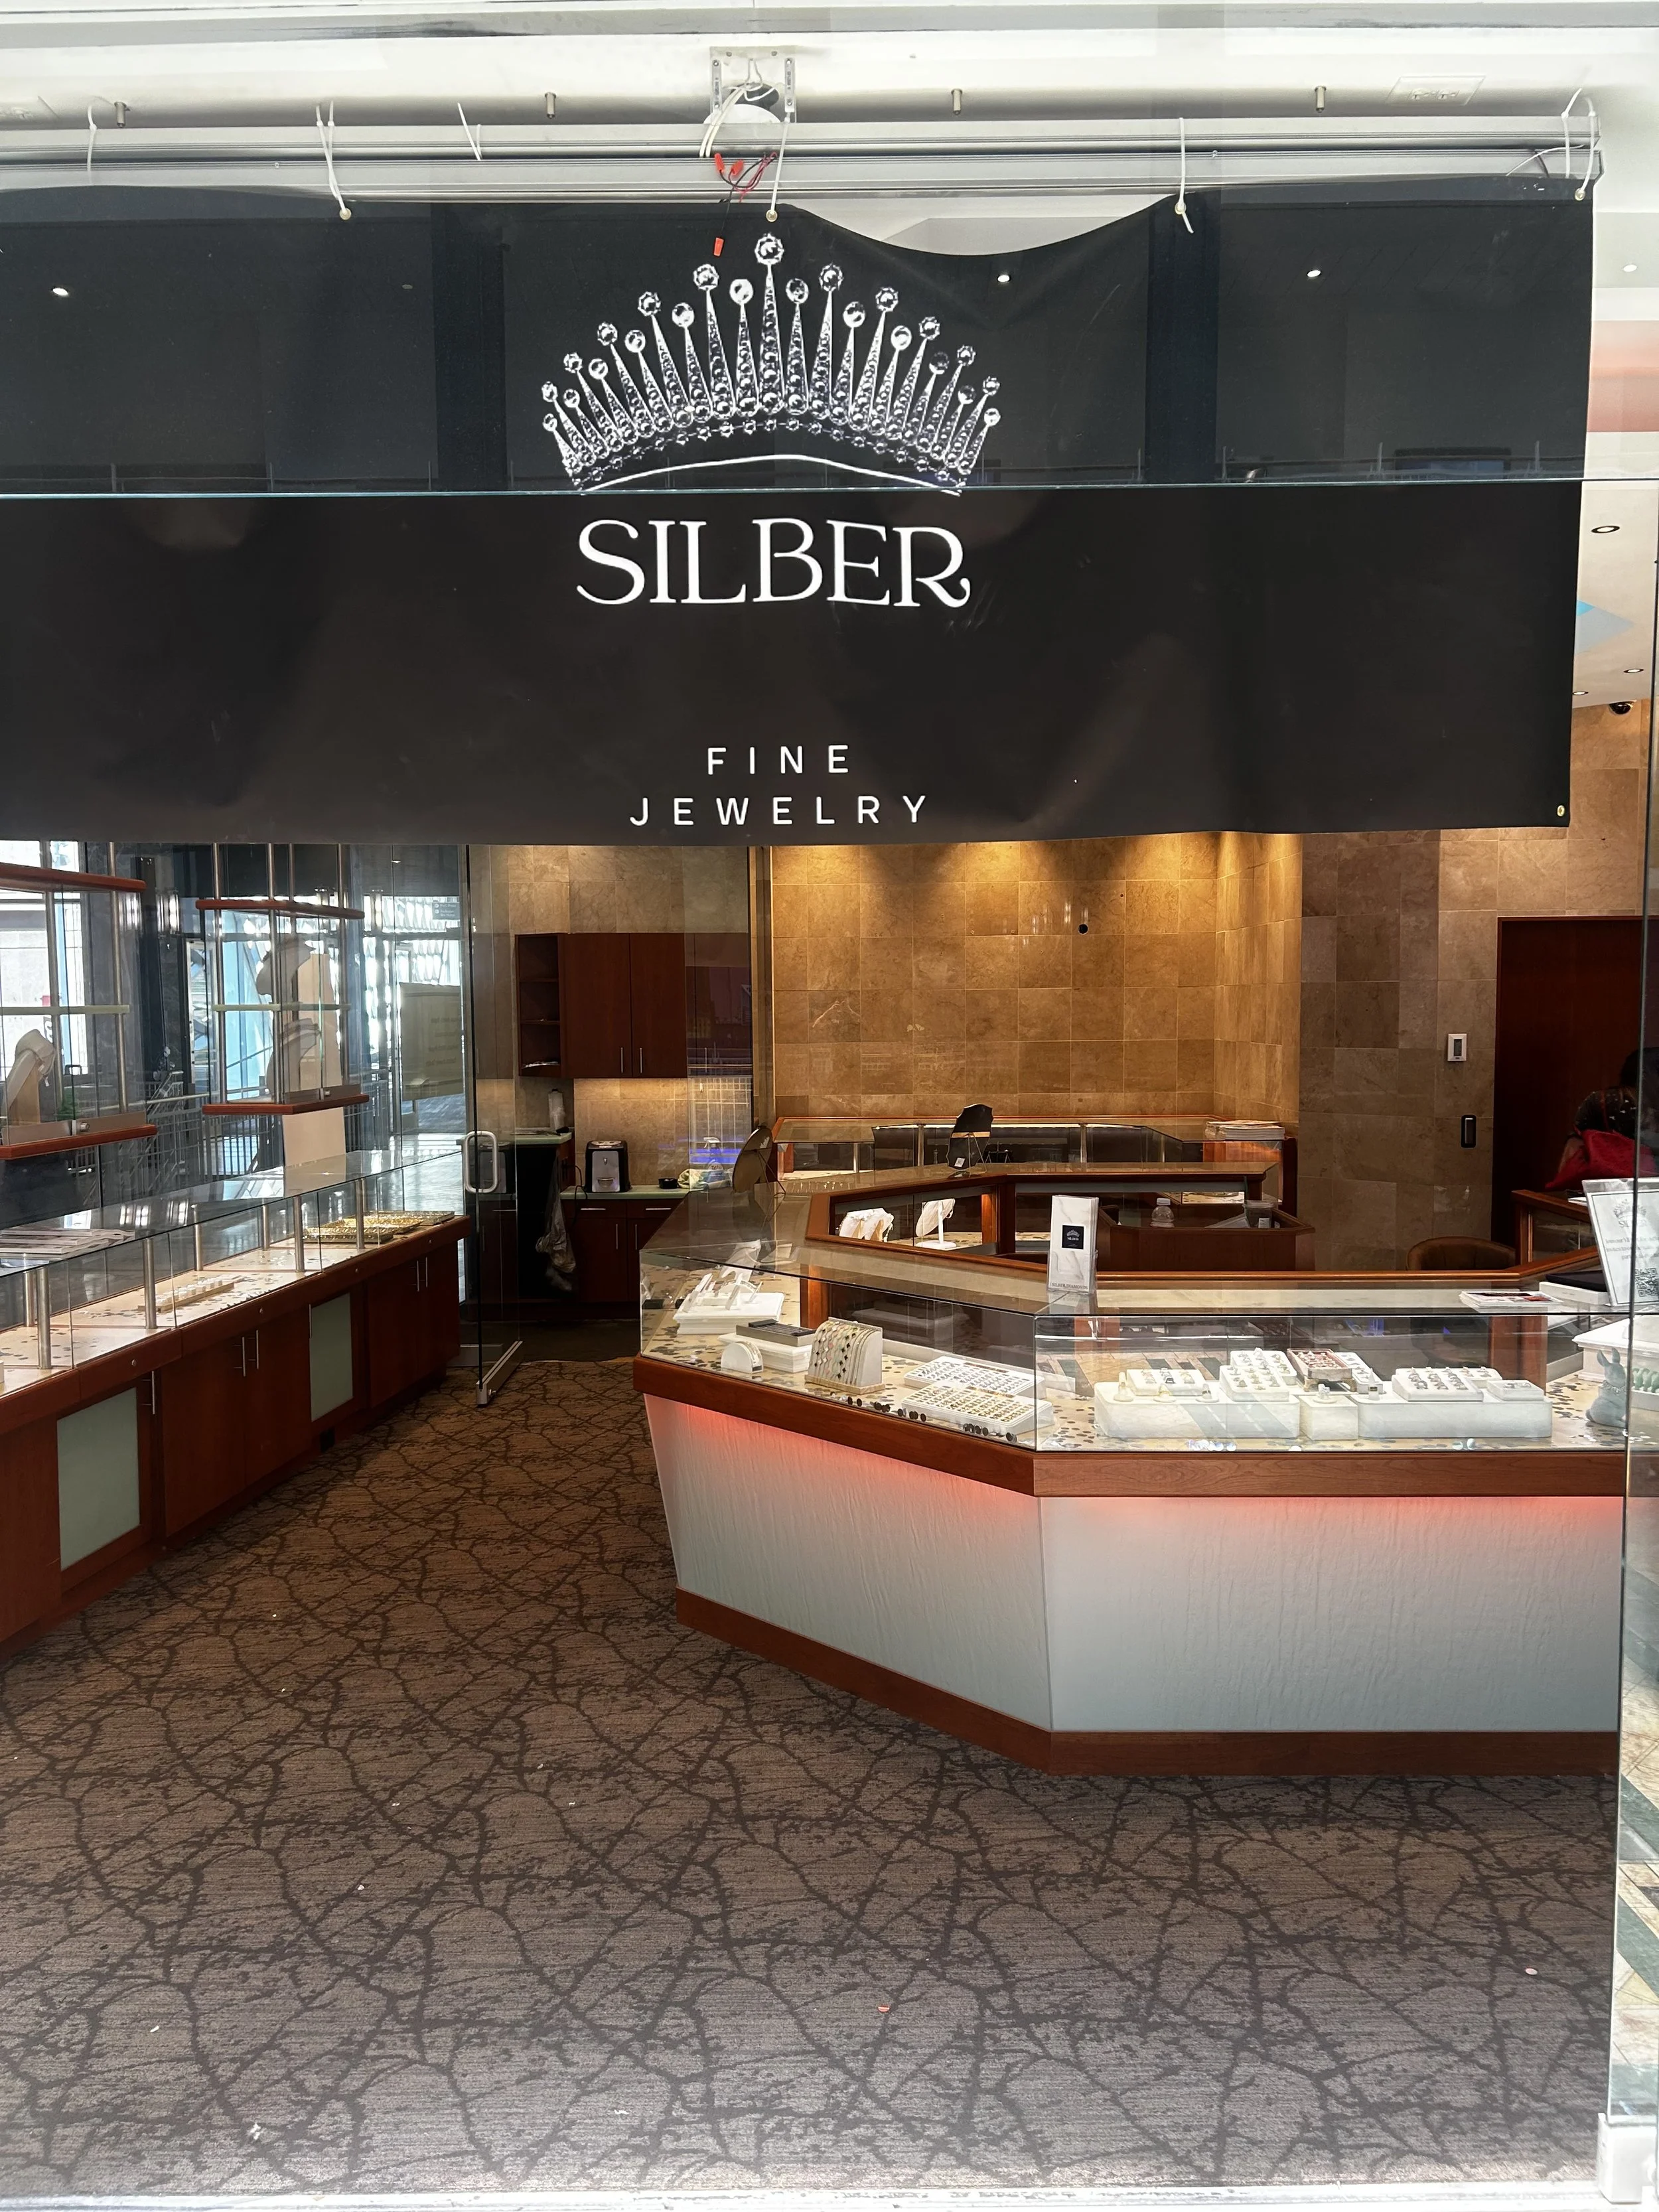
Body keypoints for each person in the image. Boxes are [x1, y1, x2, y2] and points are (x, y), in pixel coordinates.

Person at [1551, 1047, 1659, 1188]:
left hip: (1601, 1189)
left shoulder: (1603, 1099)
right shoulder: (1612, 1101)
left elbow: (1573, 1150)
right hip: (1643, 1190)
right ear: (1645, 1075)